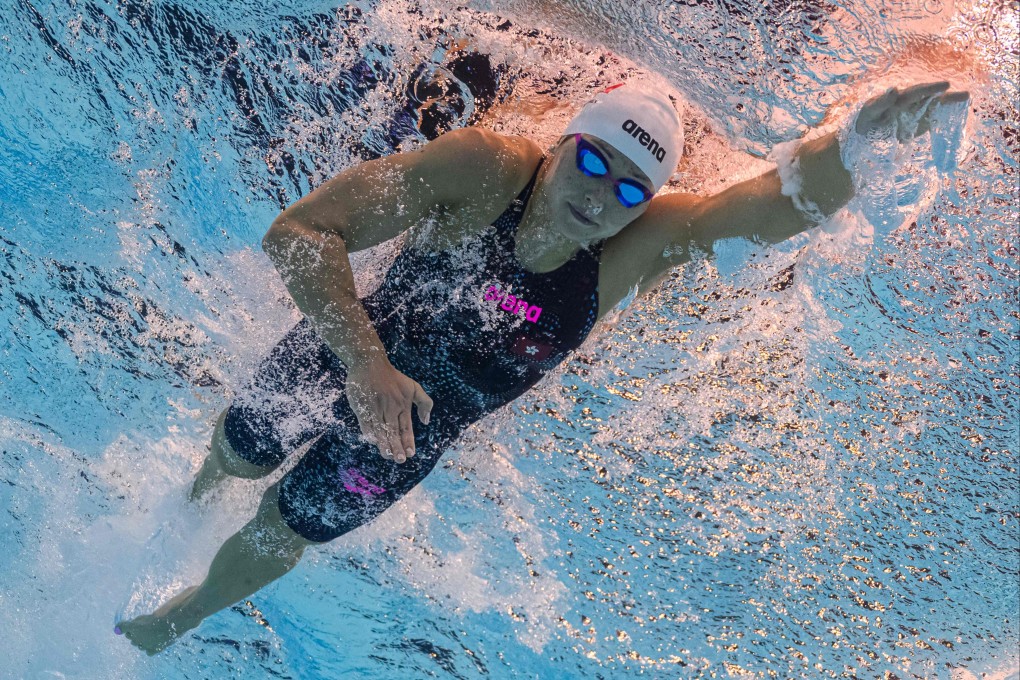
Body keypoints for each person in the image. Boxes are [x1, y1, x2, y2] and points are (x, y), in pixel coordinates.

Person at [116, 79, 968, 654]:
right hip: (342, 351)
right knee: (239, 449)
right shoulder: (484, 170)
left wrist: (857, 140)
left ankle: (178, 618)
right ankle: (186, 502)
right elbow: (300, 233)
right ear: (565, 142)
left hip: (413, 434)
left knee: (285, 525)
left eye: (630, 189)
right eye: (593, 160)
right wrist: (367, 366)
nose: (600, 194)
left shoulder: (632, 252)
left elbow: (772, 205)